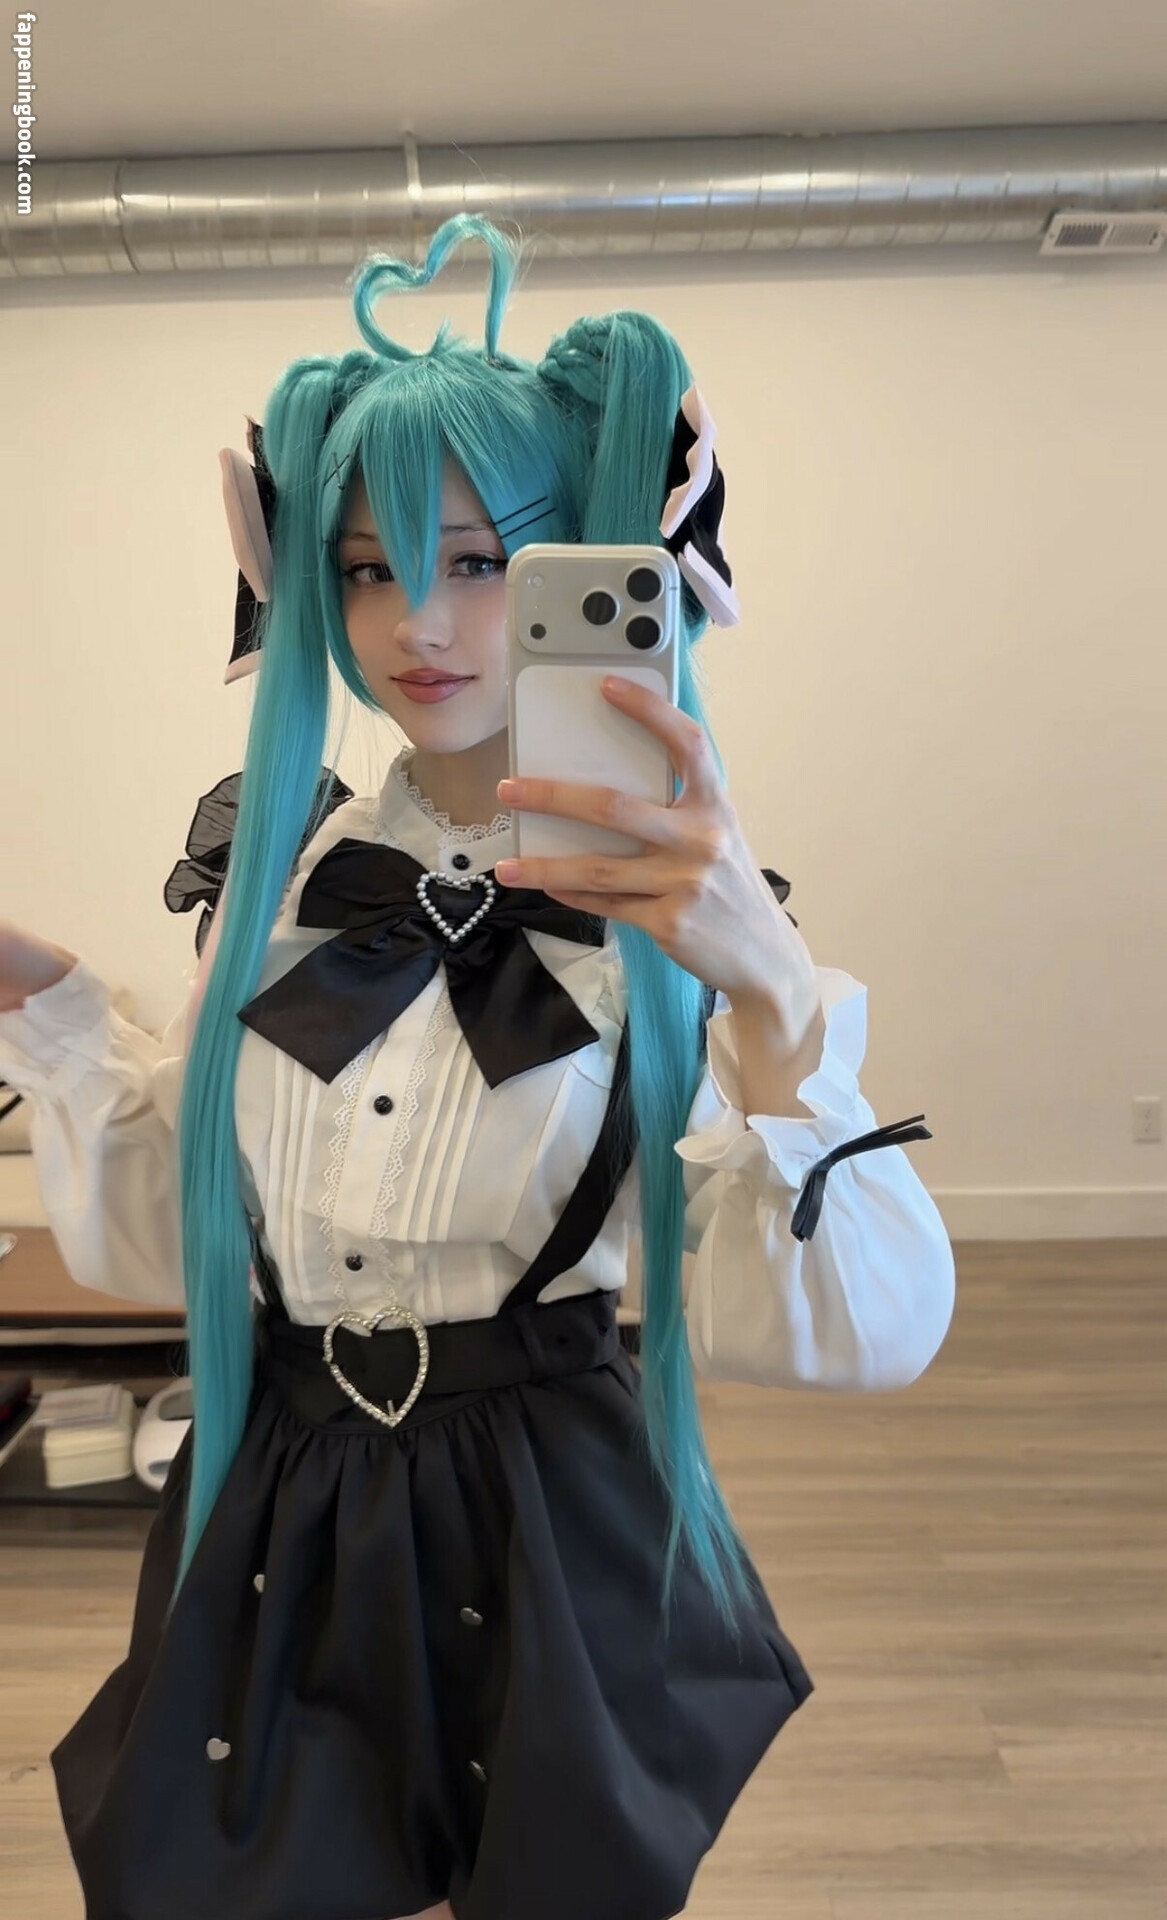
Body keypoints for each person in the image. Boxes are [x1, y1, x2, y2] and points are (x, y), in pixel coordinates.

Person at [0, 213, 956, 1920]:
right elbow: (167, 1239)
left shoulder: (677, 920)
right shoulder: (282, 877)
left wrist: (769, 994)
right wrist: (42, 993)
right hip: (283, 1487)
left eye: (479, 560)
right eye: (370, 568)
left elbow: (861, 1335)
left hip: (545, 1501)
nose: (418, 622)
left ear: (594, 571)